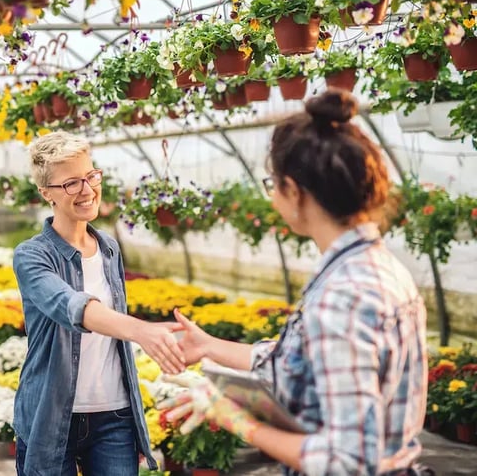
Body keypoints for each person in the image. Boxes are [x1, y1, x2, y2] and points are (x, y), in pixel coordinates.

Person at [163, 90, 429, 476]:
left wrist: (234, 417)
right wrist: (210, 348)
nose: (272, 197)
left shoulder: (345, 295)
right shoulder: (374, 268)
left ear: (294, 191)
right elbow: (302, 363)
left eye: (273, 184)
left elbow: (346, 462)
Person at [12, 131, 186, 476]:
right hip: (51, 415)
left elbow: (110, 321)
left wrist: (155, 333)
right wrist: (142, 331)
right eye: (72, 183)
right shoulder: (31, 255)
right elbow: (70, 306)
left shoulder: (108, 248)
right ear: (46, 193)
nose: (88, 190)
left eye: (91, 176)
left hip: (114, 416)